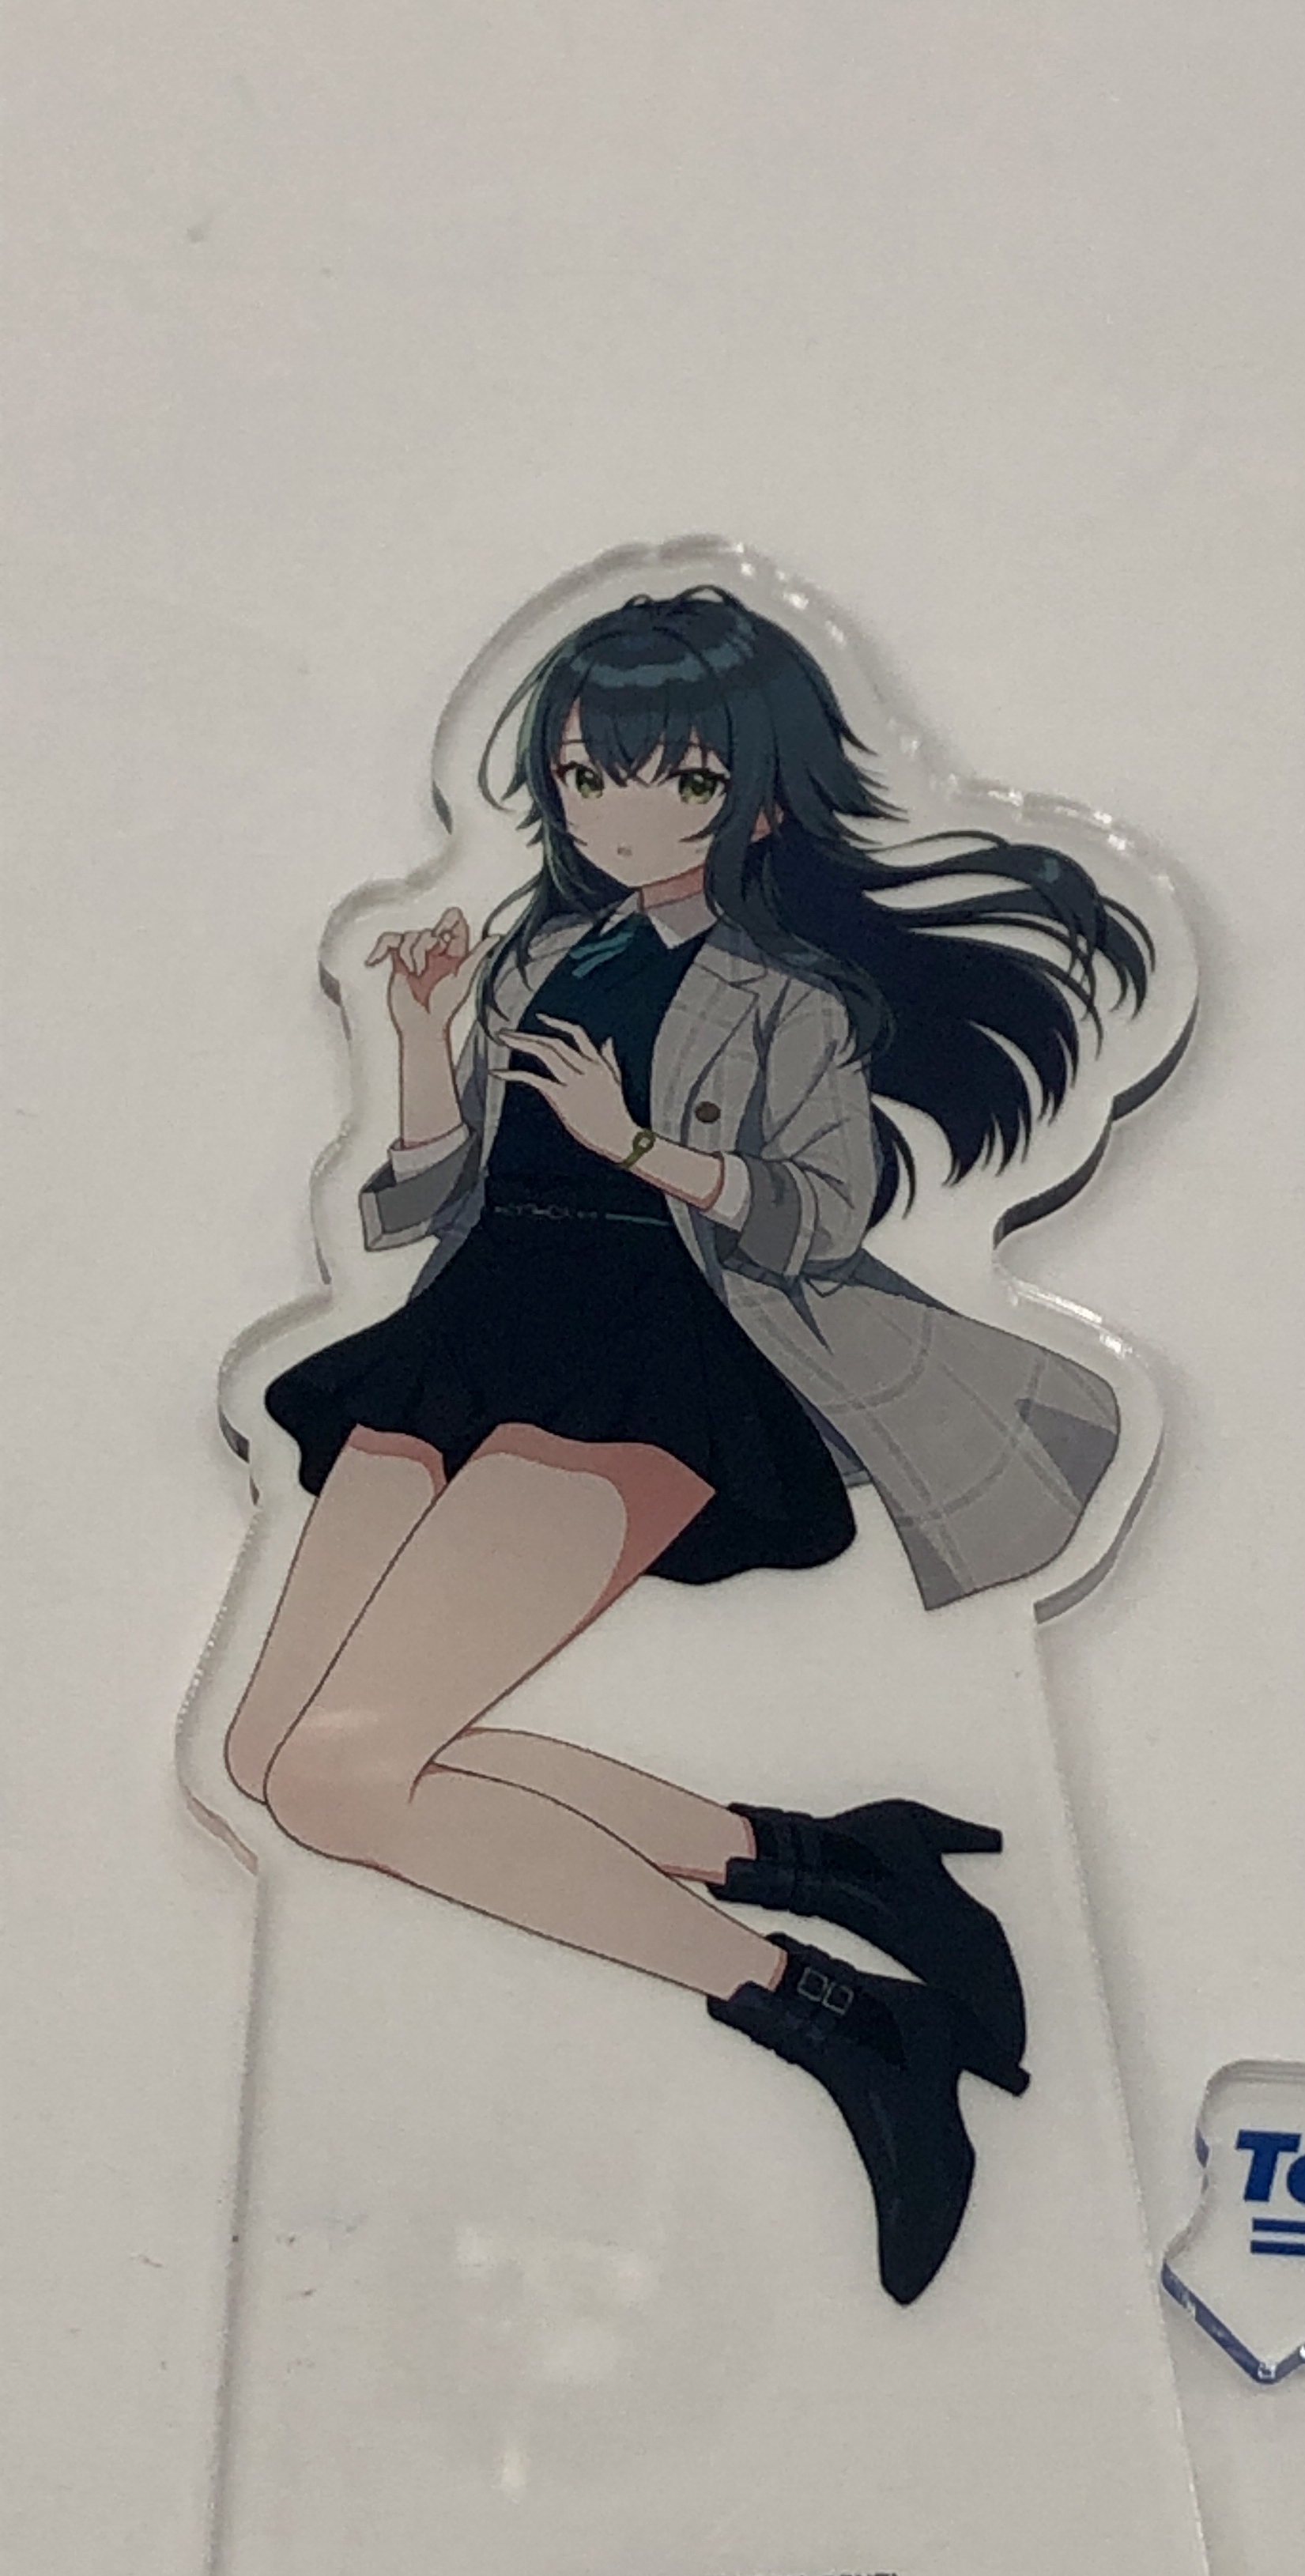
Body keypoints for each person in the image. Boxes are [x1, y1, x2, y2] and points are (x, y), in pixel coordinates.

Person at [224, 585, 1160, 2305]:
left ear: (758, 798)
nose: (616, 811)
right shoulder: (539, 956)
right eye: (587, 775)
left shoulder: (789, 1001)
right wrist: (424, 1049)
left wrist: (638, 1144)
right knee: (270, 1760)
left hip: (653, 1361)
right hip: (465, 1331)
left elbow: (819, 1218)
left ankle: (836, 2014)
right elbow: (432, 1195)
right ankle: (833, 1862)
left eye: (673, 778)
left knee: (350, 1779)